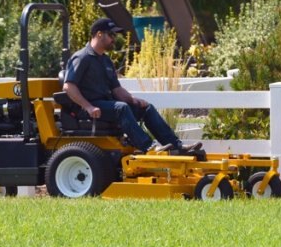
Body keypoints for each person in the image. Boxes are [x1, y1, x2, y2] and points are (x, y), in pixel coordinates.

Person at [63, 18, 202, 155]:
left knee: (146, 108)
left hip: (106, 106)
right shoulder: (82, 58)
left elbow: (116, 89)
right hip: (88, 107)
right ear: (99, 34)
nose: (114, 39)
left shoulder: (105, 61)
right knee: (121, 108)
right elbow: (69, 86)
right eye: (111, 35)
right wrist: (88, 106)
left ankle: (176, 146)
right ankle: (149, 147)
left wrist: (133, 100)